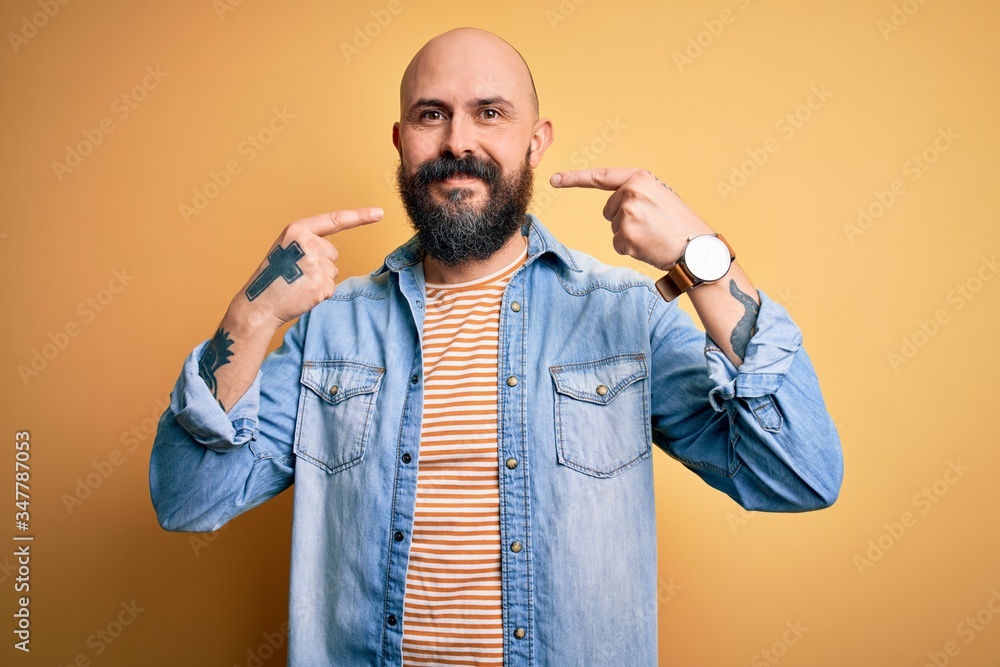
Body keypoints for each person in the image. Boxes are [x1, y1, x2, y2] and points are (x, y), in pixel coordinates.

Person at [149, 27, 843, 666]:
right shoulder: (332, 327)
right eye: (432, 114)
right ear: (400, 139)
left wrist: (703, 259)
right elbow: (187, 499)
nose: (458, 141)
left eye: (490, 113)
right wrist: (254, 313)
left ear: (536, 141)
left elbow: (799, 474)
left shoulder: (624, 316)